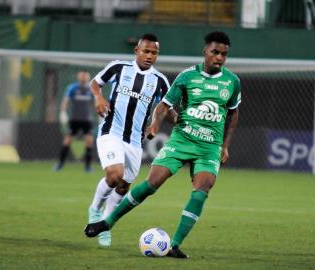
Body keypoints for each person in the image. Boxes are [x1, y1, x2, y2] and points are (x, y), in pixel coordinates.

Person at [84, 31, 241, 259]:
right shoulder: (186, 76)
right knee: (151, 183)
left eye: (224, 54)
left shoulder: (232, 81)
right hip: (180, 140)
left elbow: (233, 115)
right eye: (215, 52)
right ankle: (106, 222)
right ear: (205, 52)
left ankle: (174, 245)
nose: (219, 58)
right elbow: (164, 106)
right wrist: (155, 123)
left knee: (201, 190)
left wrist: (225, 146)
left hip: (209, 146)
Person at [87, 33, 174, 247]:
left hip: (135, 141)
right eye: (146, 51)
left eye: (154, 53)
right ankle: (95, 210)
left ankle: (106, 223)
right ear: (137, 50)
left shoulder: (160, 81)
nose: (149, 56)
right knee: (114, 175)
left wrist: (156, 123)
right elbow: (95, 83)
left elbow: (164, 107)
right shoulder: (118, 67)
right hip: (111, 131)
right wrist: (98, 97)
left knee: (124, 186)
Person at [55, 70, 95, 172]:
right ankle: (60, 164)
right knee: (67, 140)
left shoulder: (91, 88)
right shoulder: (72, 88)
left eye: (85, 75)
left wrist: (100, 115)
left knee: (89, 142)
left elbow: (96, 102)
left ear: (88, 76)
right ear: (78, 76)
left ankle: (88, 166)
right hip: (74, 119)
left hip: (87, 119)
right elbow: (65, 101)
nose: (83, 77)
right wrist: (63, 112)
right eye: (81, 75)